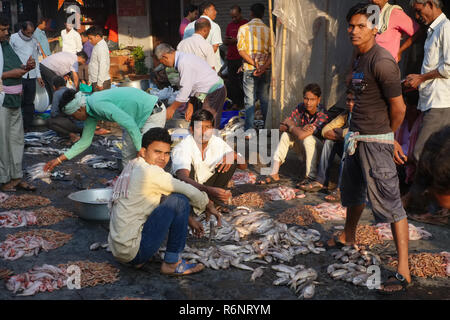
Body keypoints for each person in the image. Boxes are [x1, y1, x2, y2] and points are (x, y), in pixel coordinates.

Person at [330, 3, 410, 294]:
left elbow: (399, 108)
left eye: (360, 26)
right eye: (351, 26)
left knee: (390, 203)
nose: (353, 31)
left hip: (376, 142)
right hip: (356, 137)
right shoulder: (358, 57)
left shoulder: (382, 61)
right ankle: (348, 235)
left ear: (376, 28)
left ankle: (403, 270)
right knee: (352, 192)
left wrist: (389, 138)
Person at [108, 127, 220, 273]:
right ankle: (172, 264)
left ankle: (138, 259)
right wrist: (208, 204)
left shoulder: (133, 165)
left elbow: (159, 198)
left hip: (118, 250)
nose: (163, 158)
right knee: (179, 200)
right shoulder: (151, 172)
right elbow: (188, 190)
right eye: (157, 152)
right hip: (132, 252)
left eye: (167, 153)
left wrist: (188, 219)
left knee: (173, 199)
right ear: (143, 151)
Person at [403, 0, 450, 224]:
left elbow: (449, 67)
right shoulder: (432, 31)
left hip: (442, 102)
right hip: (430, 100)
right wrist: (416, 81)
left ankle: (433, 208)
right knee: (428, 155)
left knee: (425, 155)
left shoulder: (445, 28)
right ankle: (424, 204)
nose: (417, 15)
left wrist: (421, 78)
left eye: (418, 10)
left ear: (430, 4)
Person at [43, 87, 166, 172]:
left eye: (73, 116)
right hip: (135, 121)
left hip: (152, 113)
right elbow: (84, 142)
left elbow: (129, 123)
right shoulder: (90, 113)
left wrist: (140, 149)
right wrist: (58, 160)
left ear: (79, 109)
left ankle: (155, 192)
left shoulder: (97, 104)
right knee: (127, 158)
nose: (75, 119)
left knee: (149, 154)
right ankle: (130, 191)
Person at [257, 84, 328, 187]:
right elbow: (282, 126)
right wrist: (297, 129)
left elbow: (301, 135)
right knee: (286, 135)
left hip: (319, 153)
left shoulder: (322, 113)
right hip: (303, 150)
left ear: (318, 100)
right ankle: (274, 173)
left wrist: (292, 127)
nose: (308, 103)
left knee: (307, 139)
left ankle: (310, 177)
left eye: (312, 99)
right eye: (306, 99)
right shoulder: (301, 107)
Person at [172, 109, 247, 206]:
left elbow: (243, 166)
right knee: (188, 169)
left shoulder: (216, 142)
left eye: (207, 127)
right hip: (189, 188)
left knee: (231, 160)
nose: (203, 132)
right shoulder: (183, 147)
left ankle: (214, 201)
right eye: (199, 128)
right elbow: (183, 177)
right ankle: (195, 202)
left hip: (208, 186)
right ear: (191, 129)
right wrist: (208, 190)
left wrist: (234, 155)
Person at [0, 16, 36, 192]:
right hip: (2, 100)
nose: (6, 33)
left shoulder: (5, 45)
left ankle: (16, 176)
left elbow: (14, 67)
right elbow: (6, 72)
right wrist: (8, 75)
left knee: (16, 139)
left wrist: (26, 67)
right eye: (2, 29)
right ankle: (4, 179)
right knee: (3, 141)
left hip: (15, 99)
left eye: (7, 29)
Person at [155, 43, 226, 128]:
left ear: (164, 57)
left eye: (162, 62)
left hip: (214, 92)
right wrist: (190, 105)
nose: (164, 65)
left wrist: (172, 108)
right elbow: (192, 84)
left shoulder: (183, 62)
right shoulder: (182, 59)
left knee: (207, 125)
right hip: (204, 93)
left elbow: (186, 89)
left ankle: (210, 140)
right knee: (199, 123)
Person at [302, 89, 355, 201]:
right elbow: (325, 130)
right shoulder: (346, 114)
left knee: (348, 143)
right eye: (348, 100)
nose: (349, 103)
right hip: (348, 146)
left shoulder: (364, 115)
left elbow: (358, 133)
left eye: (353, 100)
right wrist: (343, 135)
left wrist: (343, 133)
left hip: (360, 153)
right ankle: (321, 181)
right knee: (330, 142)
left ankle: (341, 188)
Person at [237, 3, 272, 132]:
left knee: (249, 100)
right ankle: (267, 129)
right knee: (264, 99)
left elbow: (241, 51)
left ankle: (249, 131)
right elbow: (272, 54)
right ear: (263, 14)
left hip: (249, 68)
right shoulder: (268, 30)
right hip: (264, 70)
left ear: (251, 13)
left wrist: (253, 63)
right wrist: (262, 67)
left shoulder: (243, 28)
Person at [9, 21, 45, 131]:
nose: (30, 35)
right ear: (23, 30)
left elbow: (36, 59)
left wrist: (39, 75)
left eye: (32, 32)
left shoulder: (34, 40)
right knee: (18, 101)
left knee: (29, 102)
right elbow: (9, 56)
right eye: (28, 33)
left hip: (32, 75)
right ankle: (16, 126)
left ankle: (27, 126)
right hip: (18, 75)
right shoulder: (13, 38)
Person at [183, 2, 223, 72]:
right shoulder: (214, 26)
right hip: (210, 69)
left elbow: (185, 47)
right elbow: (215, 47)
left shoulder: (189, 26)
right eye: (213, 9)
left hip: (193, 68)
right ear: (205, 11)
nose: (216, 12)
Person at [45, 76, 81, 144]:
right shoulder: (72, 90)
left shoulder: (57, 93)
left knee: (49, 122)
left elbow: (53, 113)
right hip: (83, 123)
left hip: (74, 124)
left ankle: (73, 136)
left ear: (54, 86)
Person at [225, 5, 248, 110]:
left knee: (242, 81)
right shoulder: (229, 25)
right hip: (231, 58)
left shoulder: (245, 24)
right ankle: (235, 103)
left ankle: (243, 103)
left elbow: (248, 41)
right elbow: (225, 41)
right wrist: (232, 40)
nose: (234, 19)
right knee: (232, 82)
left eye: (235, 16)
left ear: (240, 14)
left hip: (242, 57)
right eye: (232, 17)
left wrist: (235, 40)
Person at [87, 26, 111, 92]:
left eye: (91, 38)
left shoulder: (101, 47)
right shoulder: (97, 46)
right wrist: (90, 80)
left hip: (101, 82)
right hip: (96, 81)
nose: (89, 41)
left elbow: (103, 65)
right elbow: (93, 63)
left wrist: (100, 83)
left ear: (97, 36)